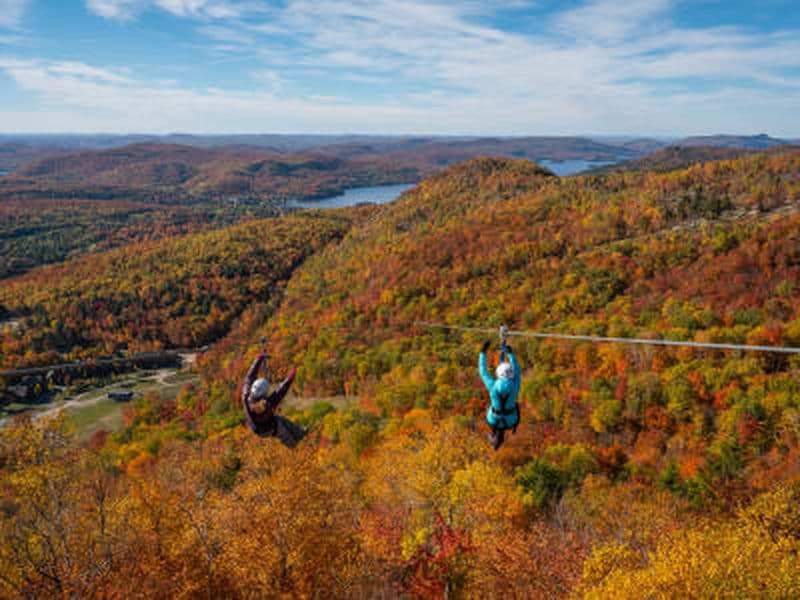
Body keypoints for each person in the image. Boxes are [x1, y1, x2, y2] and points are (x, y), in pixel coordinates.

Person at [241, 345, 306, 448]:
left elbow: (249, 377)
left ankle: (301, 433)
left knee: (281, 420)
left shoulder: (246, 396)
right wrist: (291, 375)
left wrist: (259, 359)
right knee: (285, 434)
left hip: (259, 425)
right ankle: (298, 448)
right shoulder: (266, 406)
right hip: (267, 429)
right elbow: (280, 391)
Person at [479, 339, 521, 450]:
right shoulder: (515, 384)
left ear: (498, 373)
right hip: (508, 420)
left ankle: (496, 436)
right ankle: (495, 434)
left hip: (502, 419)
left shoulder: (493, 386)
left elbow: (483, 371)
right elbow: (517, 370)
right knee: (496, 420)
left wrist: (483, 352)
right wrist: (510, 354)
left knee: (492, 409)